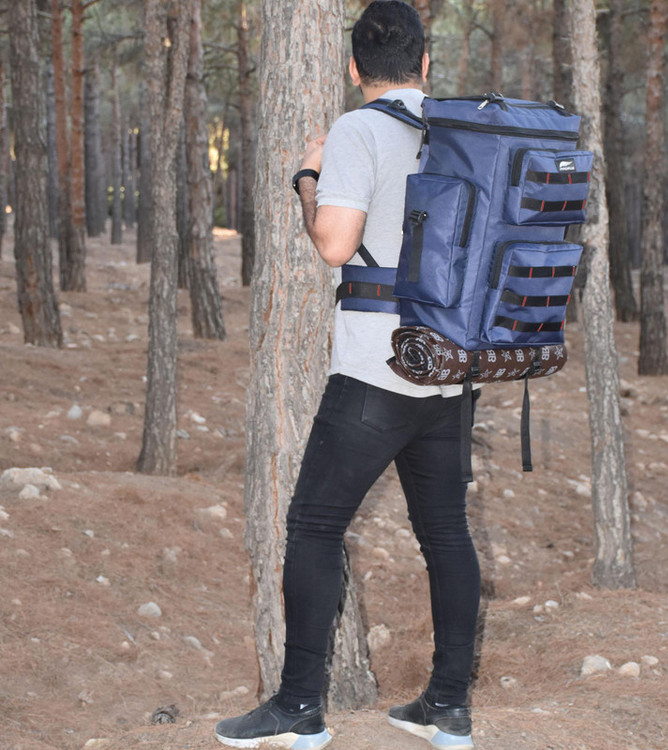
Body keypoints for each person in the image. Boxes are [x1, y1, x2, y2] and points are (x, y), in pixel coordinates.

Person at [215, 2, 480, 748]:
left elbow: (334, 244)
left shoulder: (358, 131)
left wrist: (309, 175)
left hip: (377, 368)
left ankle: (301, 705)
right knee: (447, 533)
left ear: (355, 66)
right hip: (451, 368)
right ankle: (448, 706)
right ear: (424, 63)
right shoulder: (461, 134)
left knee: (313, 525)